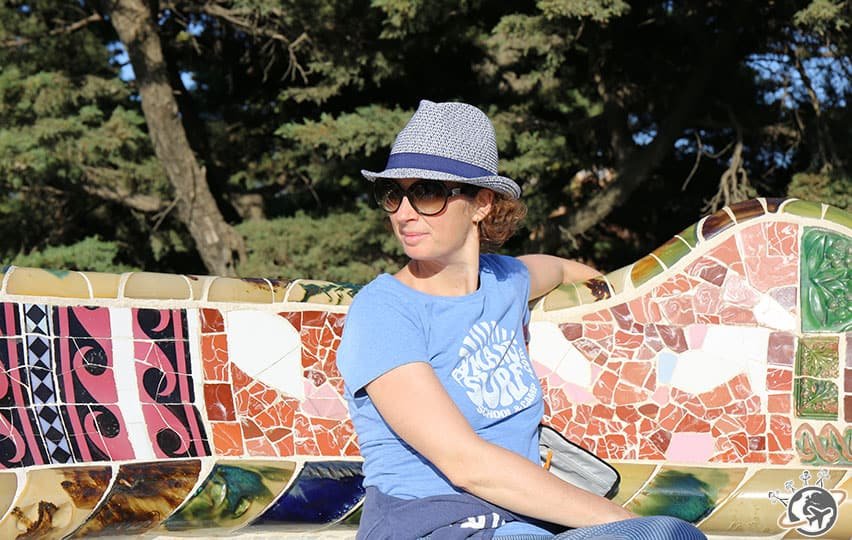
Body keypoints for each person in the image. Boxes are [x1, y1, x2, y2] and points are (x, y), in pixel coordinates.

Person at [336, 100, 706, 540]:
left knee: (674, 533)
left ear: (481, 203)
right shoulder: (384, 311)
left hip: (519, 523)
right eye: (393, 194)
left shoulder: (504, 282)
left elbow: (561, 269)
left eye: (427, 192)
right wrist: (628, 525)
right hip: (429, 524)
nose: (404, 212)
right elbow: (466, 464)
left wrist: (624, 311)